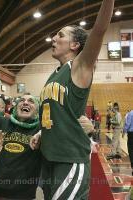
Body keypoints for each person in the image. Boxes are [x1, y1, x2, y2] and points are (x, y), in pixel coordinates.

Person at [0, 65, 97, 200]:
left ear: (38, 110)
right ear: (15, 107)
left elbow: (69, 138)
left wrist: (88, 131)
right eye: (22, 100)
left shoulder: (43, 129)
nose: (25, 103)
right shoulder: (1, 123)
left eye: (31, 101)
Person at [37, 1, 115, 199]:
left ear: (75, 45)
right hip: (49, 157)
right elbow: (57, 113)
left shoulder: (80, 67)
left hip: (69, 158)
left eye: (60, 35)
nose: (54, 38)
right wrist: (41, 132)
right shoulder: (54, 74)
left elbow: (99, 30)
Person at [123, 109, 133, 175]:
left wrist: (124, 131)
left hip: (131, 134)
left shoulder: (131, 113)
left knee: (131, 150)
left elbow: (128, 124)